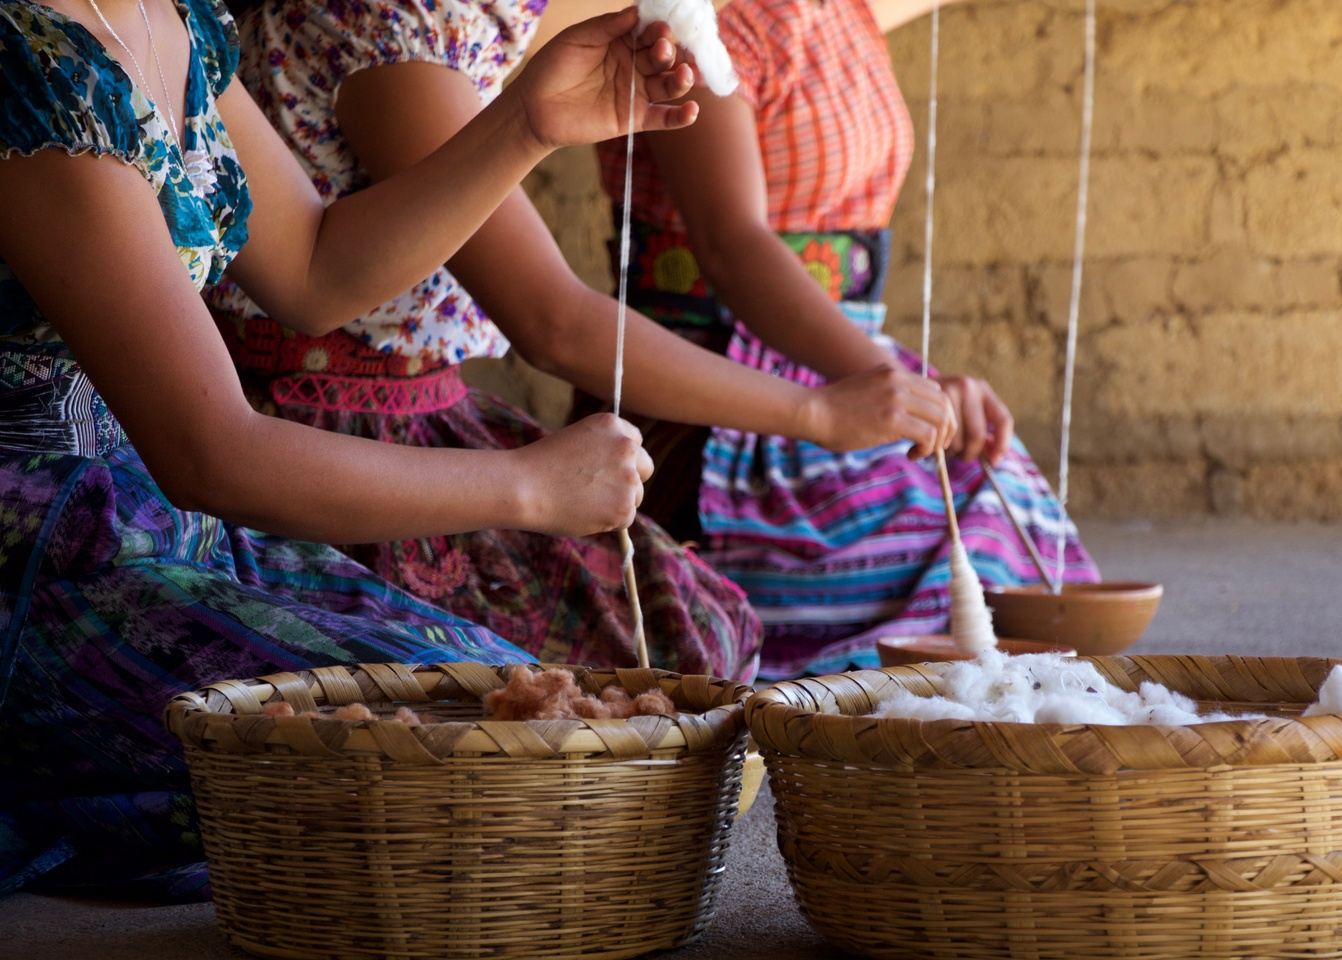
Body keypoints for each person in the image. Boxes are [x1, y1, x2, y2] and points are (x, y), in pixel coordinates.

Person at [0, 0, 695, 898]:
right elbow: (212, 454)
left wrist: (526, 122)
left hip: (157, 525)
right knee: (458, 762)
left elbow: (318, 272)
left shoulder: (165, 21)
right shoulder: (29, 61)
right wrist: (526, 484)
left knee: (515, 702)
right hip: (39, 555)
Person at [207, 0, 960, 679]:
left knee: (706, 624)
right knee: (616, 669)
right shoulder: (384, 33)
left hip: (431, 405)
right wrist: (817, 413)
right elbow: (555, 323)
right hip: (327, 428)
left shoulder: (471, 20)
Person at [591, 0, 1101, 678]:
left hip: (846, 355)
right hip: (723, 396)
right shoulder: (694, 24)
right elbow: (731, 244)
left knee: (1002, 509)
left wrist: (900, 382)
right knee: (921, 575)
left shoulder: (843, 13)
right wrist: (883, 378)